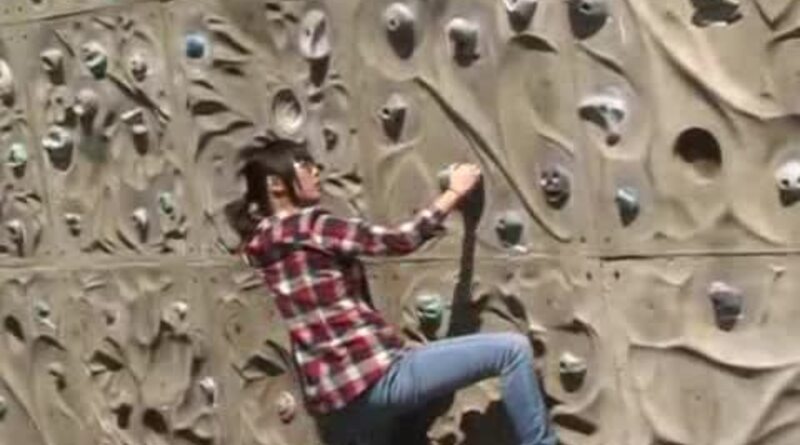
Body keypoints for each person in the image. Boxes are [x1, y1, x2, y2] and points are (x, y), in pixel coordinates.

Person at [227, 137, 556, 445]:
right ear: (275, 184)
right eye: (303, 164)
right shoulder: (312, 227)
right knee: (511, 351)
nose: (315, 170)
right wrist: (454, 193)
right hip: (375, 379)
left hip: (336, 409)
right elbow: (400, 240)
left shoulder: (261, 245)